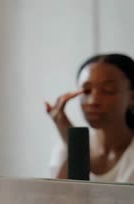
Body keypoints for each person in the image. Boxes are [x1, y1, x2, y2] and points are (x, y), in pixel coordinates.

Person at [46, 54, 134, 183]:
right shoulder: (64, 148)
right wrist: (74, 144)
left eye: (108, 90)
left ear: (132, 97)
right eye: (86, 91)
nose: (93, 101)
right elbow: (59, 200)